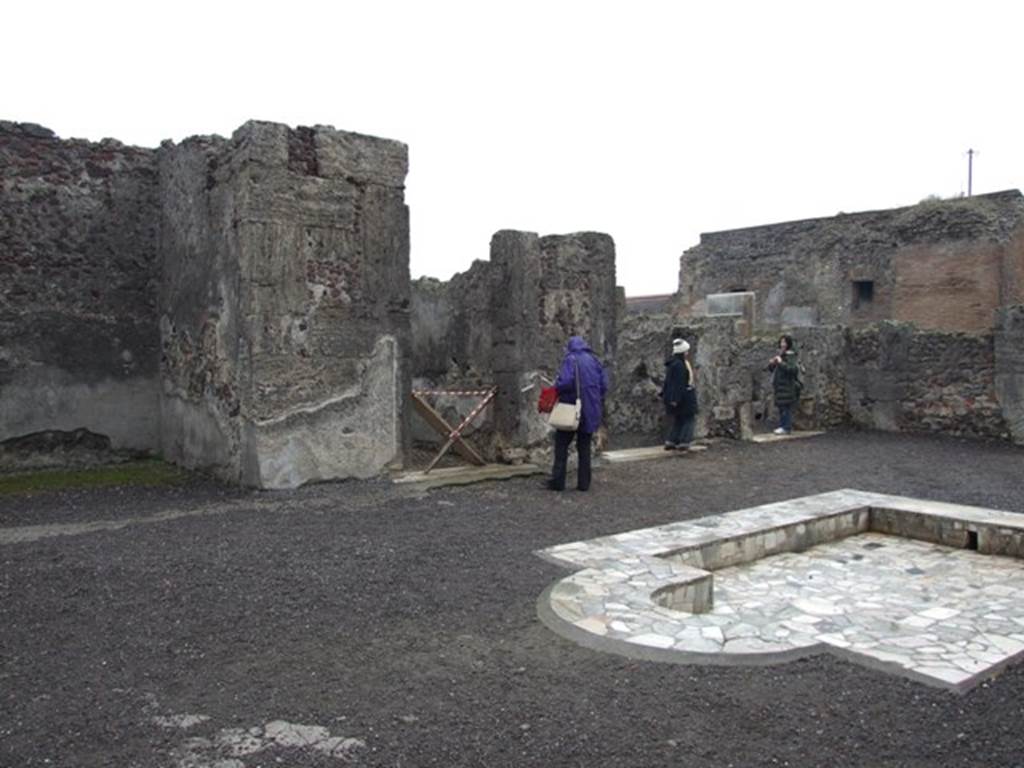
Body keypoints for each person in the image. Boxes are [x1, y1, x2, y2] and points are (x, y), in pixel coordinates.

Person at [547, 335, 608, 491]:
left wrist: (557, 386)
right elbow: (604, 385)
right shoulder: (594, 360)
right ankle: (584, 483)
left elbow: (566, 382)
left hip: (571, 408)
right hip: (591, 409)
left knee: (561, 445)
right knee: (584, 447)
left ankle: (558, 481)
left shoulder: (571, 359)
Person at [662, 338, 697, 450]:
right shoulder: (680, 365)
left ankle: (672, 440)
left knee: (679, 419)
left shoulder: (673, 364)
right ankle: (684, 441)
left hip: (677, 396)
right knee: (688, 419)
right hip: (684, 396)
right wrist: (676, 398)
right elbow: (679, 383)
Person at [768, 334, 800, 434]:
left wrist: (781, 362)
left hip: (787, 385)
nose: (782, 344)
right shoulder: (781, 355)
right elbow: (771, 369)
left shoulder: (791, 355)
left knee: (785, 407)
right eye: (781, 342)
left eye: (784, 342)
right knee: (781, 407)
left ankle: (786, 427)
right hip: (780, 385)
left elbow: (792, 369)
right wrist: (772, 363)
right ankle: (783, 426)